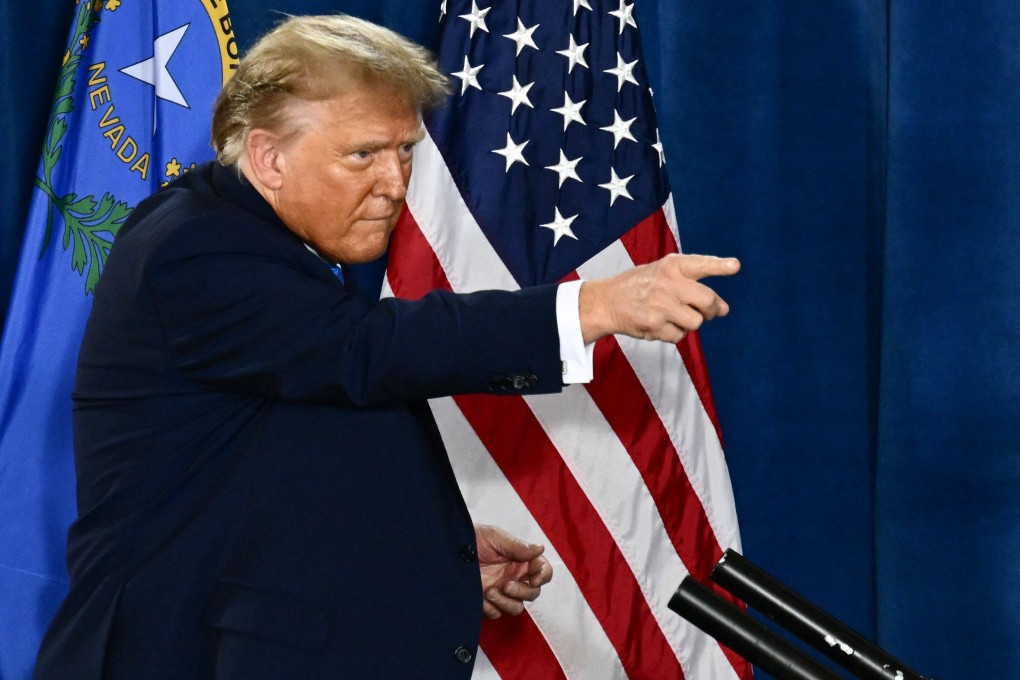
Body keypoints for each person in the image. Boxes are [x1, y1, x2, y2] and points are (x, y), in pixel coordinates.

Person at [33, 14, 740, 680]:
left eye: (405, 151)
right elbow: (368, 349)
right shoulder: (197, 249)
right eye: (362, 155)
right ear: (269, 158)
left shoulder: (266, 241)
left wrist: (428, 561)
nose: (395, 184)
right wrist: (593, 305)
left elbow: (273, 471)